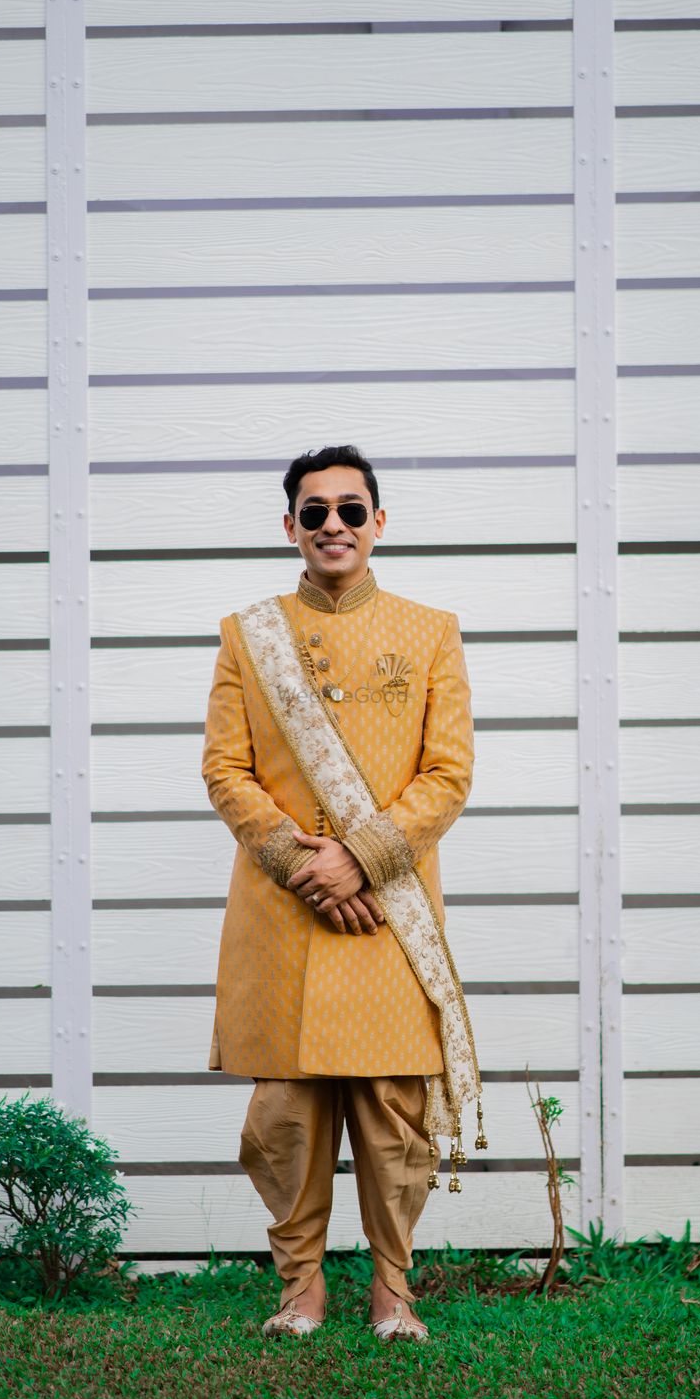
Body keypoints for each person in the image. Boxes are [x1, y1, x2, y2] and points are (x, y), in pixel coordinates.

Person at [201, 444, 483, 1342]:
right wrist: (303, 863)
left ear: (378, 524)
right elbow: (225, 770)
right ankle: (301, 1290)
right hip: (285, 908)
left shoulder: (431, 628)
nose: (333, 526)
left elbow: (448, 774)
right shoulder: (249, 633)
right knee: (284, 1115)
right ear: (289, 527)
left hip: (387, 909)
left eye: (350, 510)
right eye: (314, 512)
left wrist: (360, 858)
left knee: (394, 1112)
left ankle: (392, 1293)